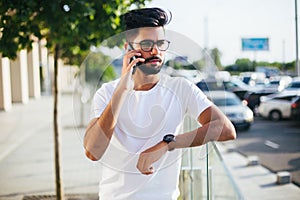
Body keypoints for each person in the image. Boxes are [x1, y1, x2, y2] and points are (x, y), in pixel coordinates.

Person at [84, 7, 236, 200]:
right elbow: (93, 152)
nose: (156, 51)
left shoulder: (180, 88)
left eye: (161, 43)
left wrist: (167, 144)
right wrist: (122, 90)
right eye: (147, 44)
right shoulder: (107, 93)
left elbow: (225, 129)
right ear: (128, 49)